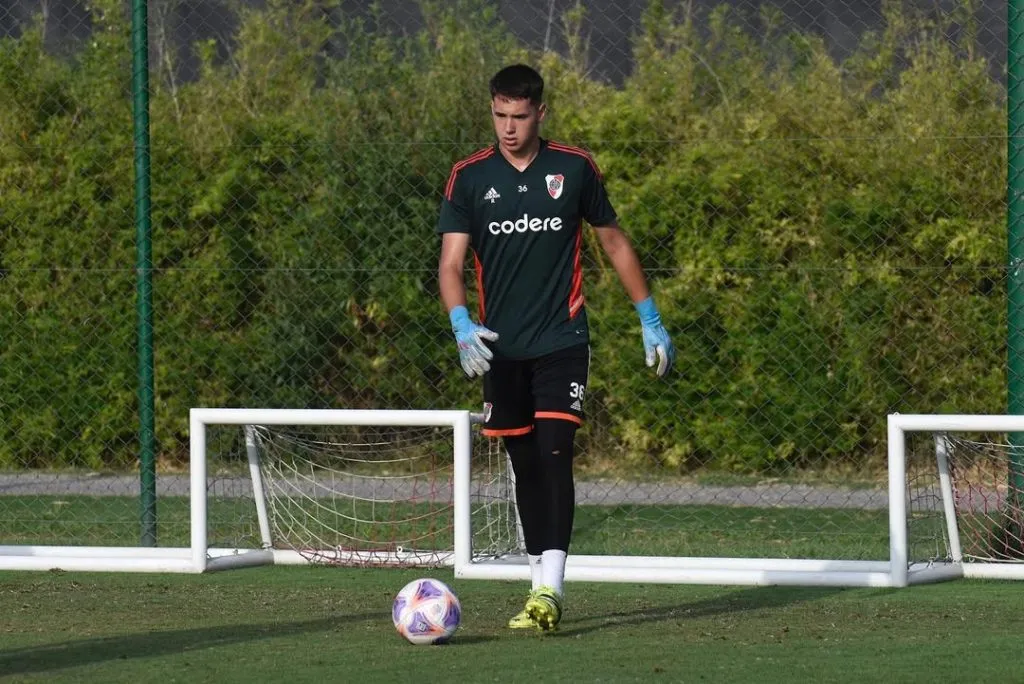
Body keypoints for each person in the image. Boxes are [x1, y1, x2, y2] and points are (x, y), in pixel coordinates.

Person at [436, 64, 675, 632]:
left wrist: (649, 316)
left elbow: (613, 242)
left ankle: (550, 589)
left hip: (563, 337)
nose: (509, 127)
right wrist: (461, 323)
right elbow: (449, 265)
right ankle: (536, 583)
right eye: (500, 116)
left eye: (519, 116)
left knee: (554, 452)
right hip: (500, 348)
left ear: (541, 113)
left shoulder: (574, 168)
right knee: (522, 465)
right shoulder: (468, 177)